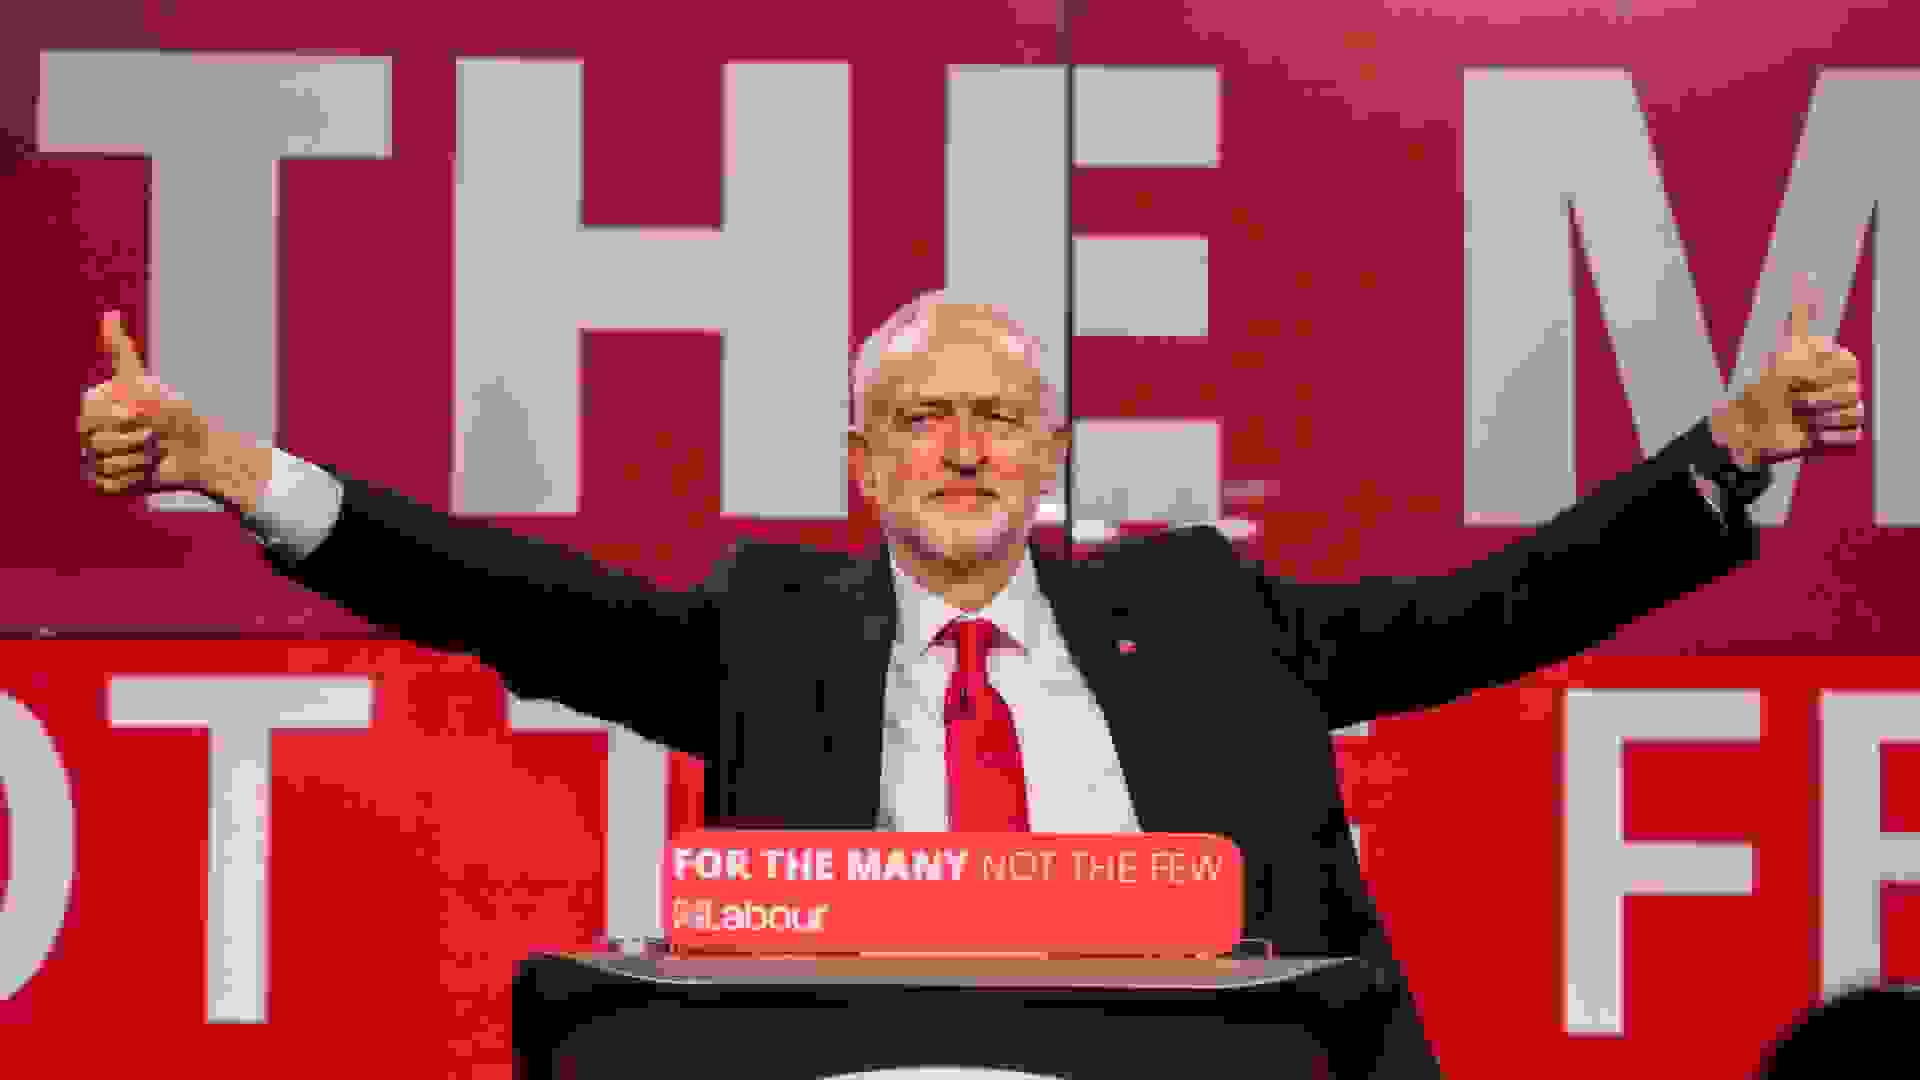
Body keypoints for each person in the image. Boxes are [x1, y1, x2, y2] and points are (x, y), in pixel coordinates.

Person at [76, 285, 1864, 1077]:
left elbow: (1491, 610)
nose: (958, 445)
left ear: (1047, 451)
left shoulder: (1203, 606)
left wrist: (1729, 445)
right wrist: (244, 471)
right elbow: (513, 598)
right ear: (863, 462)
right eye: (918, 418)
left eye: (994, 413)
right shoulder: (771, 630)